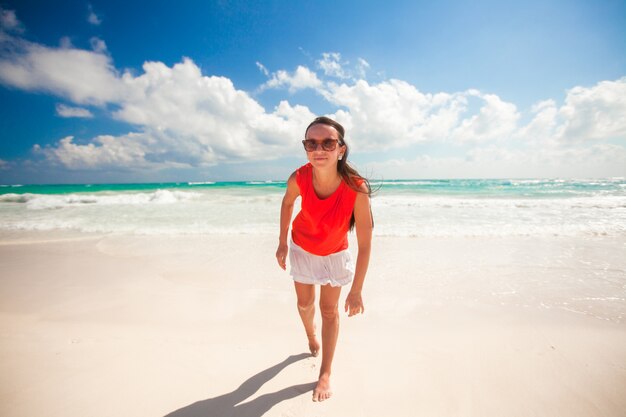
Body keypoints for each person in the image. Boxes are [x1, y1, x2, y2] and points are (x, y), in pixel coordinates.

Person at [275, 116, 373, 402]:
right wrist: (282, 242)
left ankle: (325, 372)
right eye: (312, 143)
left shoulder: (356, 187)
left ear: (341, 149)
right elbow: (287, 202)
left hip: (334, 253)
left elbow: (365, 244)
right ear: (306, 148)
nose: (319, 149)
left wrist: (356, 290)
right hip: (303, 247)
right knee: (305, 304)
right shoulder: (299, 178)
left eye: (328, 143)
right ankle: (310, 335)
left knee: (329, 310)